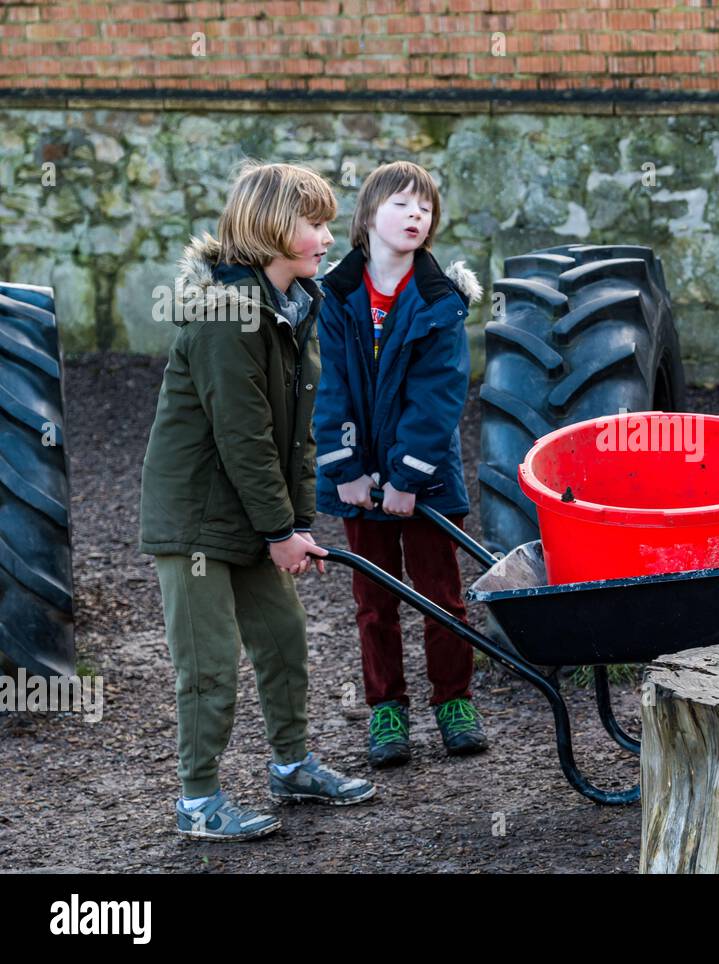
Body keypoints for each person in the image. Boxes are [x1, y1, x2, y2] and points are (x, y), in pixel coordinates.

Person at [139, 161, 376, 842]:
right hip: (195, 520)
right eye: (314, 223)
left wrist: (297, 522)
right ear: (272, 227)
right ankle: (199, 802)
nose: (328, 237)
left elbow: (297, 428)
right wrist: (279, 529)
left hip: (251, 510)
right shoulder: (226, 313)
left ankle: (292, 766)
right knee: (207, 663)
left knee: (283, 638)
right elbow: (242, 437)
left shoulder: (297, 306)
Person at [313, 160, 487, 768]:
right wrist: (349, 471)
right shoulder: (335, 296)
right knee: (372, 599)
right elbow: (331, 387)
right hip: (360, 479)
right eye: (402, 205)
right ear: (367, 217)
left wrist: (409, 478)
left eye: (425, 208)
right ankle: (387, 708)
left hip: (427, 478)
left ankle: (454, 701)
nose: (416, 215)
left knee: (442, 594)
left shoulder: (440, 301)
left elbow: (439, 397)